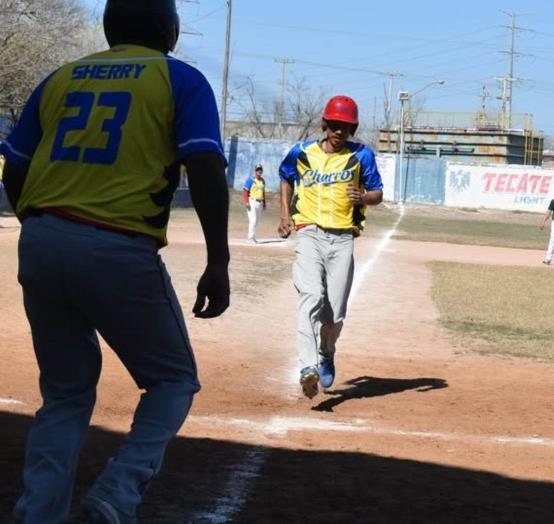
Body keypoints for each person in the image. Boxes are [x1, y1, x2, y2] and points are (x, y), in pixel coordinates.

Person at [0, 1, 230, 522]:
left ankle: (38, 513)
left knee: (64, 392)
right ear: (170, 30)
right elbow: (205, 165)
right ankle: (116, 496)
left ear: (109, 29)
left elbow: (13, 166)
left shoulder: (60, 78)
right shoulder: (180, 79)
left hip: (41, 240)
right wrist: (218, 259)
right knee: (172, 380)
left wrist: (38, 223)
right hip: (117, 246)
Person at [277, 95, 383, 399]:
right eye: (334, 124)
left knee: (333, 314)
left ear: (353, 128)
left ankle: (326, 352)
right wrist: (286, 215)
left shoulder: (361, 155)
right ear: (325, 124)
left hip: (343, 238)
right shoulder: (302, 152)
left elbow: (377, 193)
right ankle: (307, 367)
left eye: (345, 126)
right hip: (309, 232)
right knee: (310, 297)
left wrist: (362, 197)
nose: (339, 131)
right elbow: (285, 177)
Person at [242, 163, 266, 243]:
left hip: (259, 202)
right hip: (252, 201)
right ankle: (250, 238)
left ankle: (253, 236)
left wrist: (264, 203)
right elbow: (245, 191)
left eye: (260, 170)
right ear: (255, 171)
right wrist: (246, 202)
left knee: (257, 221)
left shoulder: (262, 181)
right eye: (257, 170)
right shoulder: (251, 180)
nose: (259, 171)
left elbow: (263, 192)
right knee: (253, 220)